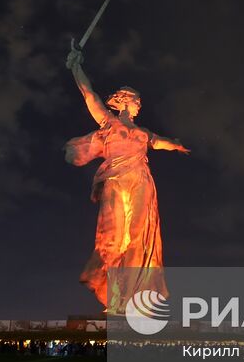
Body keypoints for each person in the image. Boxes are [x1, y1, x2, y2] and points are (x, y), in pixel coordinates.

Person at [65, 44, 189, 313]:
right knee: (114, 238)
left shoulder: (143, 131)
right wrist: (76, 67)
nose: (139, 104)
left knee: (138, 238)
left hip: (141, 180)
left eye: (139, 101)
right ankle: (115, 296)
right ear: (123, 100)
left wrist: (176, 145)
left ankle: (132, 299)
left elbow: (159, 142)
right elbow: (89, 95)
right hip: (116, 179)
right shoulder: (109, 123)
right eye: (136, 100)